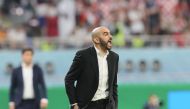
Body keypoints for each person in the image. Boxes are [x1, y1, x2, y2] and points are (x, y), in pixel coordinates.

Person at [65, 26, 119, 109]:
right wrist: (74, 104)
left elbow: (114, 85)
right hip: (88, 105)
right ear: (96, 40)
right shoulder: (83, 55)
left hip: (108, 105)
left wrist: (115, 106)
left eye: (110, 34)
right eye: (106, 34)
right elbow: (69, 79)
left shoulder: (114, 57)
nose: (110, 36)